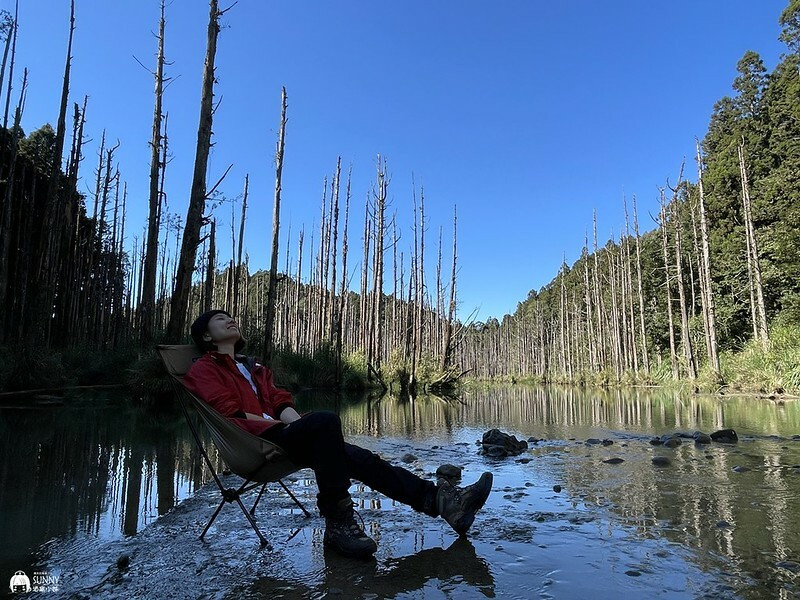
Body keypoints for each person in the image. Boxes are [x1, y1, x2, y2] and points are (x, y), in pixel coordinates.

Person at [184, 309, 493, 559]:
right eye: (220, 319)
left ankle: (441, 502)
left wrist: (296, 427)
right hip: (253, 443)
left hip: (281, 435)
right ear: (207, 336)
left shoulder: (255, 368)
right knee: (326, 422)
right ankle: (340, 521)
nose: (230, 319)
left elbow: (280, 402)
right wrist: (288, 428)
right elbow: (231, 414)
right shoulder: (204, 368)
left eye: (230, 316)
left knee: (359, 457)